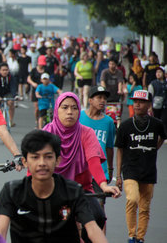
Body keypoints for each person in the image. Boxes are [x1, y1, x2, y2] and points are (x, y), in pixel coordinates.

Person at [0, 130, 108, 243]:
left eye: (48, 157)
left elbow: (92, 229)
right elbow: (0, 233)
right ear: (25, 161)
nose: (42, 163)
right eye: (35, 157)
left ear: (57, 160)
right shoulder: (12, 191)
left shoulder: (73, 191)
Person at [42, 92, 121, 234]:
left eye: (74, 108)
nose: (69, 112)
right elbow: (35, 166)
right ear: (56, 110)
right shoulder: (47, 133)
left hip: (81, 190)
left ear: (79, 110)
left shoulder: (86, 132)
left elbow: (93, 160)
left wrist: (103, 185)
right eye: (65, 107)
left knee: (98, 217)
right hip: (52, 190)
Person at [115, 90, 165, 243]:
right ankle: (131, 235)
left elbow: (163, 137)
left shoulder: (157, 124)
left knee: (144, 208)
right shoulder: (125, 126)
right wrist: (118, 176)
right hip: (130, 170)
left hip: (149, 171)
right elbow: (119, 150)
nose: (137, 104)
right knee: (132, 199)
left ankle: (140, 238)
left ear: (149, 104)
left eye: (141, 101)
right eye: (135, 101)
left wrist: (154, 148)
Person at [80, 86, 117, 206]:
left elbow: (109, 147)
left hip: (100, 170)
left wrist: (111, 169)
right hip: (80, 168)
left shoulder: (109, 122)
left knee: (99, 207)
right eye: (99, 97)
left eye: (105, 98)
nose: (103, 101)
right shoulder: (79, 117)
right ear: (90, 100)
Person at [28, 55, 48, 126]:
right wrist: (33, 83)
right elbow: (29, 79)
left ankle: (43, 120)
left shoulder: (46, 70)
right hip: (36, 90)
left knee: (44, 107)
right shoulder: (34, 70)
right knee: (37, 108)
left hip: (44, 90)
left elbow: (49, 79)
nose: (41, 65)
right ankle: (37, 120)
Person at [148, 67, 167, 133]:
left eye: (160, 72)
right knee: (156, 120)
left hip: (165, 105)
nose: (158, 74)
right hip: (156, 105)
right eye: (157, 72)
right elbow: (150, 96)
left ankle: (164, 135)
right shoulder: (153, 83)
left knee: (164, 120)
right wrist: (150, 107)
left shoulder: (165, 83)